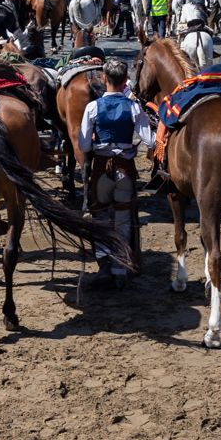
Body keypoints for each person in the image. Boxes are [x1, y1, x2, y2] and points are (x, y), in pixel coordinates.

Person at [76, 58, 156, 281]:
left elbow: (83, 146)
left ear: (104, 78)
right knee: (122, 218)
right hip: (124, 169)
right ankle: (121, 268)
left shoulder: (92, 107)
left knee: (100, 217)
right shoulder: (133, 107)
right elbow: (150, 141)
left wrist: (94, 141)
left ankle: (104, 266)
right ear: (125, 81)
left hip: (101, 167)